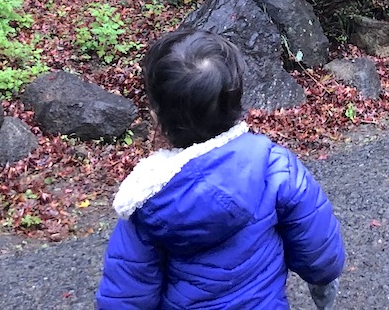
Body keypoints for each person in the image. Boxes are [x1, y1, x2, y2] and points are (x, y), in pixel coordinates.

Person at [97, 29, 345, 310]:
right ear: (238, 103)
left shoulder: (146, 200)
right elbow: (319, 249)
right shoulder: (275, 167)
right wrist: (323, 284)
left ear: (156, 115)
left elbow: (126, 296)